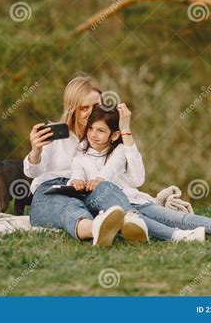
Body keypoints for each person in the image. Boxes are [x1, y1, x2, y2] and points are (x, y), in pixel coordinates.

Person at [68, 104, 211, 244]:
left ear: (114, 136)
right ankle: (179, 236)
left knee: (175, 217)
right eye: (90, 129)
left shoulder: (120, 150)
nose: (93, 134)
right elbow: (76, 173)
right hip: (117, 210)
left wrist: (126, 130)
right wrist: (75, 180)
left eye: (100, 131)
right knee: (138, 219)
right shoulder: (80, 155)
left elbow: (136, 178)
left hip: (135, 201)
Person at [24, 76, 142, 246]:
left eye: (96, 106)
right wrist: (36, 151)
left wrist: (125, 130)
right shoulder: (56, 134)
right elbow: (33, 172)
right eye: (83, 108)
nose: (91, 112)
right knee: (68, 207)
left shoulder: (108, 137)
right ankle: (97, 228)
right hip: (51, 192)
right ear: (73, 110)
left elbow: (133, 177)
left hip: (87, 193)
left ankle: (120, 225)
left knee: (96, 200)